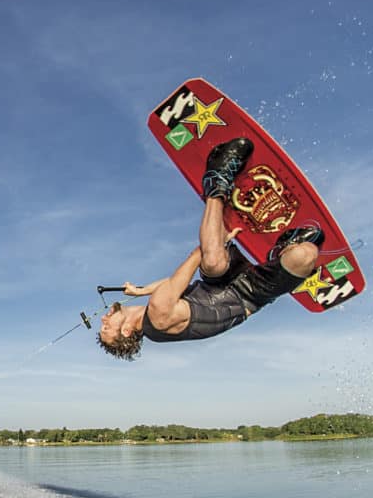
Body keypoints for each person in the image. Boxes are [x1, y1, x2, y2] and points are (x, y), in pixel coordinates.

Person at [97, 137, 324, 361]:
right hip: (250, 295)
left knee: (214, 262)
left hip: (218, 279)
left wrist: (140, 291)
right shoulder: (158, 314)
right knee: (305, 254)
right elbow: (194, 258)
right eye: (106, 329)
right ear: (126, 331)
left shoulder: (155, 314)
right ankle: (280, 253)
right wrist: (221, 237)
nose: (103, 321)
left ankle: (217, 181)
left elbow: (170, 286)